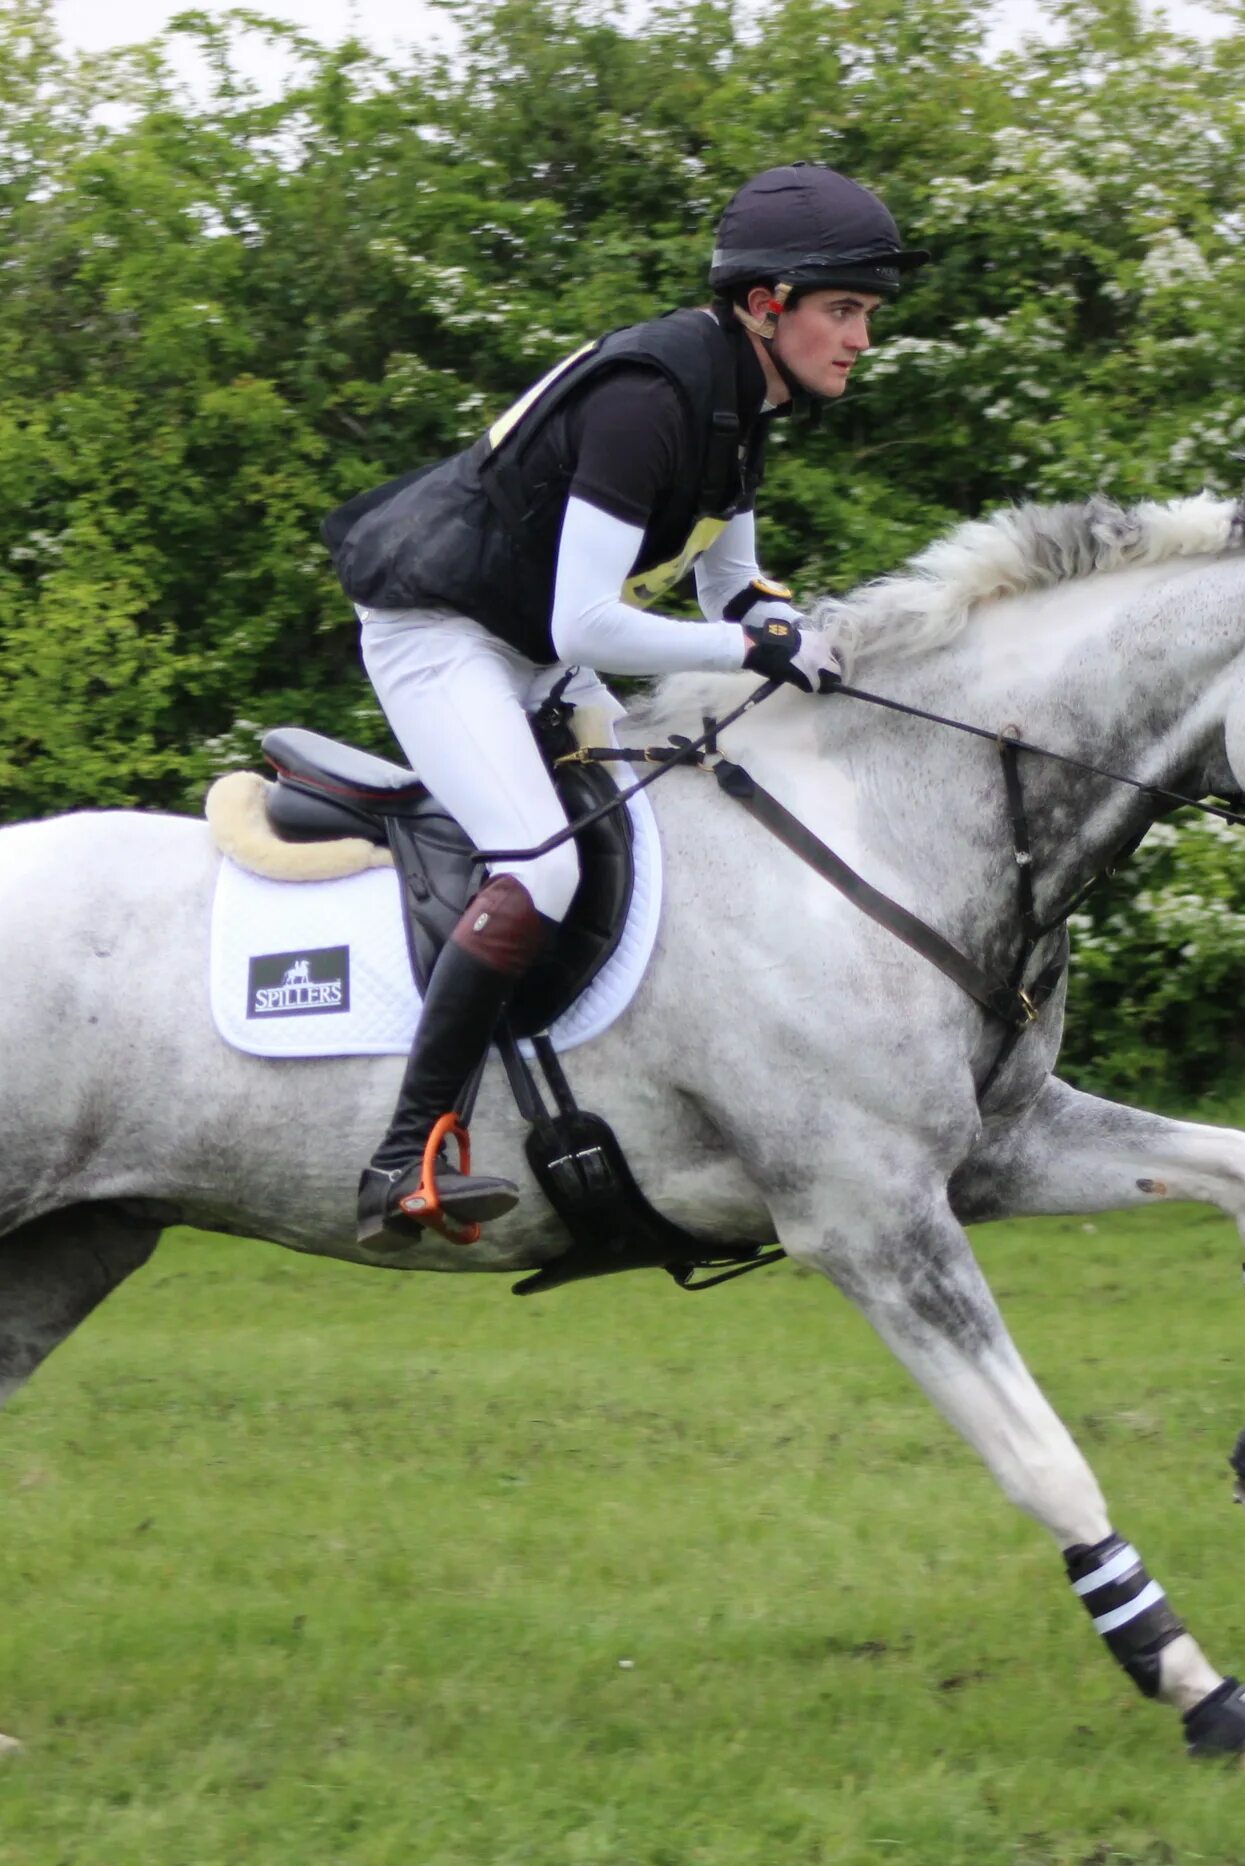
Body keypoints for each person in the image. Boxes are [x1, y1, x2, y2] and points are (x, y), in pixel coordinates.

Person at [322, 163, 925, 1247]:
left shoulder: (741, 403)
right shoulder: (654, 398)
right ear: (764, 304)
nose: (861, 340)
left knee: (673, 814)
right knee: (543, 861)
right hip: (440, 635)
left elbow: (727, 585)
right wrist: (751, 645)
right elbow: (586, 626)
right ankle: (402, 1151)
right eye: (844, 311)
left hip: (527, 646)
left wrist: (801, 633)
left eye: (866, 314)